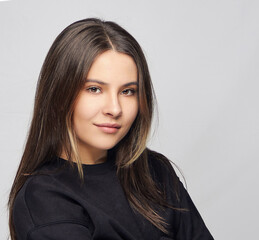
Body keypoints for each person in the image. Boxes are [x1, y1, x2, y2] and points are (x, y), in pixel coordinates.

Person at [8, 18, 214, 240]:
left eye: (127, 91)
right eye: (95, 89)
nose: (114, 109)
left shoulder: (155, 171)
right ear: (60, 94)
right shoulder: (43, 198)